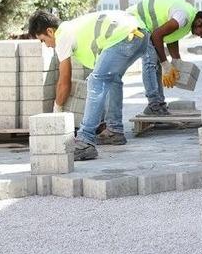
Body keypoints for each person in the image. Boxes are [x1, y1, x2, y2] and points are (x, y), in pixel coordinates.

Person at [28, 9, 148, 161]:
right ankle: (114, 130)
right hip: (140, 34)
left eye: (43, 40)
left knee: (96, 81)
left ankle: (85, 141)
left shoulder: (62, 35)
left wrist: (57, 108)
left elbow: (64, 81)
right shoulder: (74, 27)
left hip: (123, 36)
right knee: (113, 78)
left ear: (50, 31)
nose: (46, 45)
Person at [126, 0, 202, 115]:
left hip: (145, 26)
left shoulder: (187, 22)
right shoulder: (183, 17)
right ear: (199, 22)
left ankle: (159, 104)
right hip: (134, 21)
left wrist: (176, 60)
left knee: (156, 63)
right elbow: (157, 35)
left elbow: (171, 37)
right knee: (150, 61)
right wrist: (165, 64)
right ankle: (154, 105)